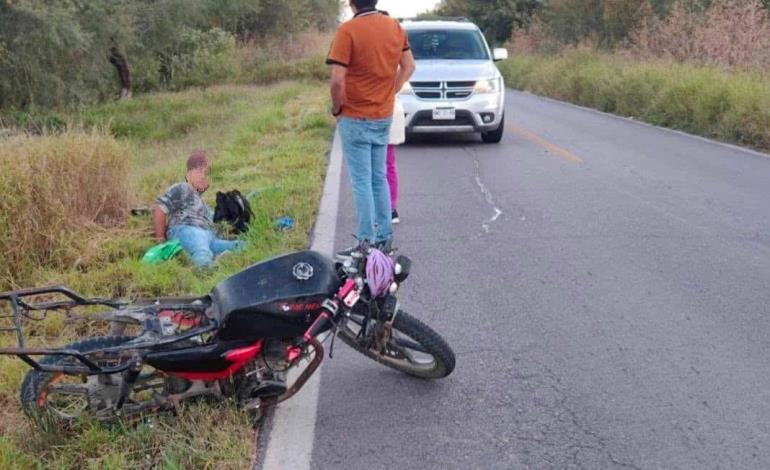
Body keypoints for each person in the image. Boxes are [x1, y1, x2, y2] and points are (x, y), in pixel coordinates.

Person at [327, 0, 415, 254]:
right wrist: (392, 90)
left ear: (351, 3)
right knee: (379, 177)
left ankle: (365, 241)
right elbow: (409, 66)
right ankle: (384, 237)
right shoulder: (395, 27)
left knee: (362, 180)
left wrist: (336, 108)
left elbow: (336, 81)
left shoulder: (348, 31)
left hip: (354, 114)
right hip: (382, 114)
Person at [153, 150, 243, 268]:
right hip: (188, 230)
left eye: (205, 173)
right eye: (199, 171)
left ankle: (218, 260)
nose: (202, 176)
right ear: (188, 173)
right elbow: (160, 209)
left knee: (240, 245)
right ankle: (204, 269)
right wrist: (160, 241)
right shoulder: (182, 188)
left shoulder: (202, 203)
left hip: (209, 237)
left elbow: (219, 222)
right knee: (202, 251)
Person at [387, 99, 405, 224]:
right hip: (389, 109)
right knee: (388, 165)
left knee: (377, 167)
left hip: (375, 113)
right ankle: (391, 209)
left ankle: (387, 208)